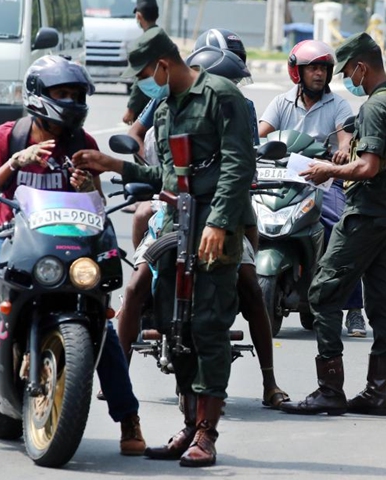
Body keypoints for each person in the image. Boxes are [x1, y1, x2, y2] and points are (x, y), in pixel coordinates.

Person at [72, 27, 256, 467]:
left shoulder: (220, 95)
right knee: (180, 330)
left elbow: (238, 164)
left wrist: (218, 222)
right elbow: (167, 179)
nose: (142, 85)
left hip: (215, 230)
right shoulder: (165, 110)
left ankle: (207, 433)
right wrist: (114, 164)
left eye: (144, 74)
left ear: (163, 64)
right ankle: (189, 424)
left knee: (210, 328)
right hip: (178, 228)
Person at [0, 55, 147, 455]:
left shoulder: (84, 144)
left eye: (77, 94)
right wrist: (15, 163)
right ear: (39, 97)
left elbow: (97, 204)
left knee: (102, 325)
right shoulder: (9, 136)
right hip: (13, 236)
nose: (72, 101)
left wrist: (85, 186)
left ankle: (128, 417)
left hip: (70, 244)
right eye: (63, 94)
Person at [279, 33, 386, 417]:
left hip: (366, 214)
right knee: (383, 302)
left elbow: (368, 166)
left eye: (347, 70)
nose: (345, 79)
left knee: (322, 294)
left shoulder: (374, 107)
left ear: (360, 67)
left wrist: (328, 170)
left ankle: (330, 390)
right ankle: (376, 392)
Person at [258, 39, 368, 337]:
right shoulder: (281, 102)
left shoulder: (338, 104)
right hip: (282, 177)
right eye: (313, 68)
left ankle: (354, 308)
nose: (319, 74)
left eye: (323, 68)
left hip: (323, 177)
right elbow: (260, 133)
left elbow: (345, 137)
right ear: (298, 72)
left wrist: (343, 151)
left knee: (340, 229)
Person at [121, 0, 159, 126]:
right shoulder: (160, 37)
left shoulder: (146, 42)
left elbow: (142, 78)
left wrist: (130, 109)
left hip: (148, 105)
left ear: (139, 16)